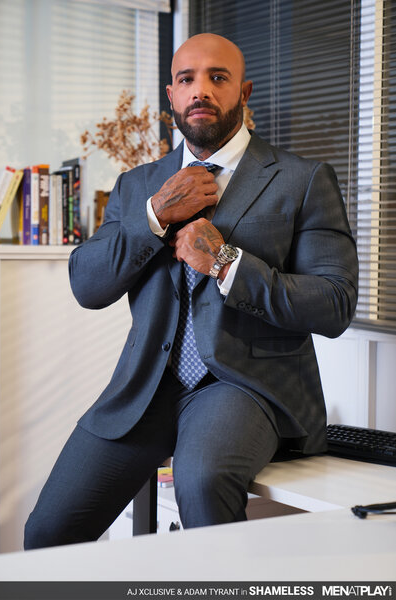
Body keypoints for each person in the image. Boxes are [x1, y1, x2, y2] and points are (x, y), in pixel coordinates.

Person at [24, 33, 358, 549]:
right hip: (144, 387)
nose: (200, 90)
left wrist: (226, 262)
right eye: (187, 79)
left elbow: (335, 303)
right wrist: (155, 216)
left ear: (244, 91)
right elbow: (87, 285)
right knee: (47, 531)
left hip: (243, 387)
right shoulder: (138, 186)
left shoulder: (302, 179)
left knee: (202, 483)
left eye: (217, 77)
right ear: (172, 95)